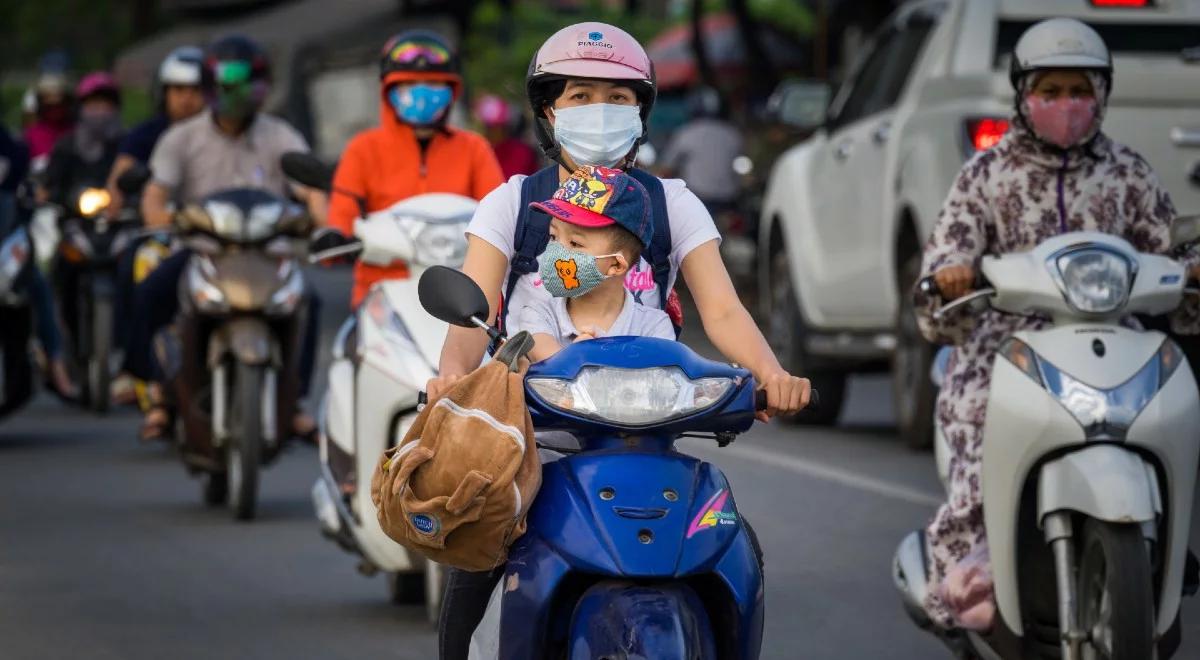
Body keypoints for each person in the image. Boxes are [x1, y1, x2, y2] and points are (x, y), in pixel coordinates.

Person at [428, 22, 811, 659]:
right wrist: (452, 378)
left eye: (617, 97)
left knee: (736, 545)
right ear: (549, 112)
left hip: (652, 439)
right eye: (579, 96)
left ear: (641, 113)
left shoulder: (672, 203)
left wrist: (772, 374)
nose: (598, 111)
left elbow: (722, 311)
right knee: (481, 547)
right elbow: (472, 312)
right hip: (534, 443)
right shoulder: (512, 202)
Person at [915, 18, 1200, 630]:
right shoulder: (987, 175)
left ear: (1102, 95)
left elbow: (1168, 248)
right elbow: (945, 255)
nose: (1067, 104)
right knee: (976, 418)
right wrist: (953, 275)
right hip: (1004, 343)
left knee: (1171, 408)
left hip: (1116, 336)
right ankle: (969, 567)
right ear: (1023, 94)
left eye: (1080, 90)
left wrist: (1190, 271)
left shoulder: (1130, 172)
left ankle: (1170, 540)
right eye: (1052, 90)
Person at [126, 34, 326, 440]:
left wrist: (325, 225)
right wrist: (165, 220)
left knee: (310, 302)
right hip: (202, 251)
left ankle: (295, 402)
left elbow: (312, 193)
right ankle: (158, 390)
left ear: (263, 87)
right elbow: (154, 196)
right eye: (225, 83)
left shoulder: (280, 135)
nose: (234, 93)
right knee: (150, 292)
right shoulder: (180, 138)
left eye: (245, 83)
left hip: (268, 254)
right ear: (209, 86)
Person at [327, 29, 503, 308]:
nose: (423, 93)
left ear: (452, 92)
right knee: (347, 350)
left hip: (461, 291)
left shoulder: (474, 148)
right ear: (388, 92)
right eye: (410, 84)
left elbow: (499, 213)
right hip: (382, 293)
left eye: (434, 85)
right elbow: (342, 218)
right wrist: (334, 237)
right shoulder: (362, 149)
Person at [521, 165, 674, 361]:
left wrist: (593, 357)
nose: (556, 252)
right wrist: (577, 358)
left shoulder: (654, 327)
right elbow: (548, 361)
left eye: (575, 243)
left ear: (616, 265)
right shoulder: (538, 314)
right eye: (553, 237)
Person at [37, 71, 126, 400]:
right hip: (76, 227)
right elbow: (49, 184)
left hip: (118, 228)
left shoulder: (126, 145)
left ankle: (130, 354)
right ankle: (60, 346)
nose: (99, 111)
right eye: (93, 104)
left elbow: (143, 181)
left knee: (139, 271)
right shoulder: (67, 146)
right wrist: (50, 194)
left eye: (105, 103)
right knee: (55, 274)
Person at [106, 46, 206, 214]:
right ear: (163, 92)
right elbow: (117, 182)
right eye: (179, 89)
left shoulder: (224, 134)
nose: (187, 98)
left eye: (196, 90)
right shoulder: (145, 134)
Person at [658, 86, 744, 218]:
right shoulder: (732, 133)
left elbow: (667, 168)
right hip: (730, 199)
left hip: (698, 198)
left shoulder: (687, 132)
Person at [473, 94, 539, 180]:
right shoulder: (477, 153)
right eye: (491, 128)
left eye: (499, 127)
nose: (496, 132)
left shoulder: (523, 153)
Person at [23, 73, 73, 166]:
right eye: (49, 106)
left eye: (59, 105)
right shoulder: (31, 134)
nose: (55, 110)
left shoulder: (75, 131)